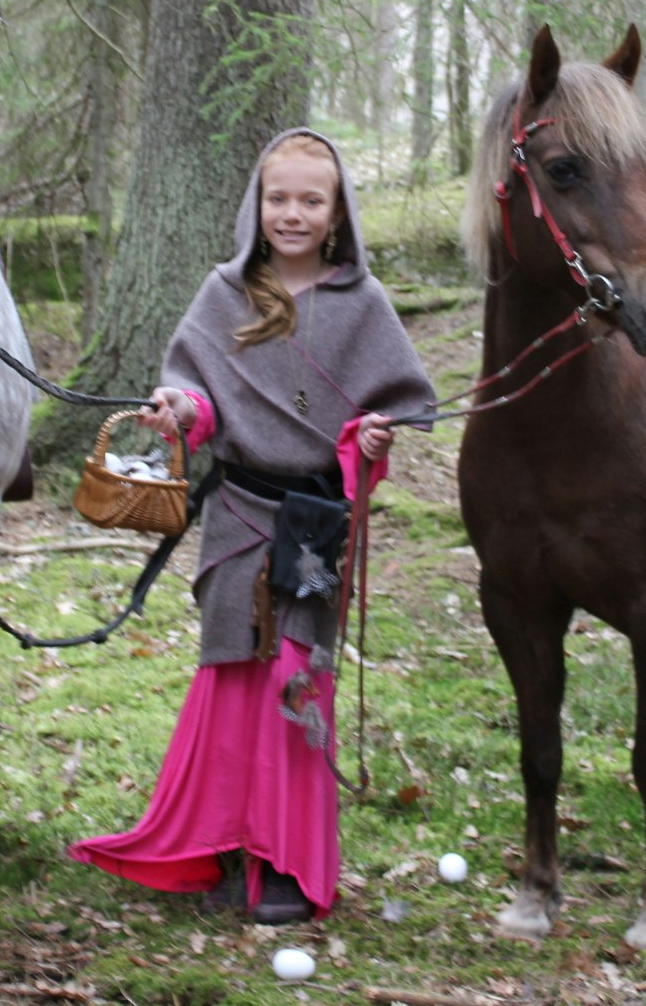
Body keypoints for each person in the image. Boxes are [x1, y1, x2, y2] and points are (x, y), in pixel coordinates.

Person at [69, 129, 435, 924]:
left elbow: (389, 413)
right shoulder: (223, 295)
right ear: (255, 205)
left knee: (294, 680)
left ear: (338, 213)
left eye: (312, 199)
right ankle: (230, 849)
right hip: (237, 516)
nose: (293, 213)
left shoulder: (360, 304)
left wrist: (370, 438)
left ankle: (292, 864)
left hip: (313, 526)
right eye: (279, 198)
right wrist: (181, 411)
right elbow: (196, 397)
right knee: (235, 678)